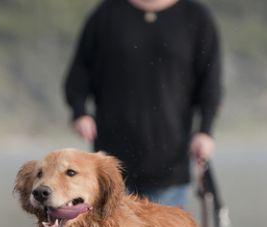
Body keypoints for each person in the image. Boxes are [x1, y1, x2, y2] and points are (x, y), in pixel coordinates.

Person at [64, 0, 222, 208]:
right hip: (111, 163)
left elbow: (210, 83)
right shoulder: (107, 14)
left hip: (170, 162)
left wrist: (205, 131)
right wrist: (80, 112)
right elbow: (78, 74)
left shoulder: (196, 16)